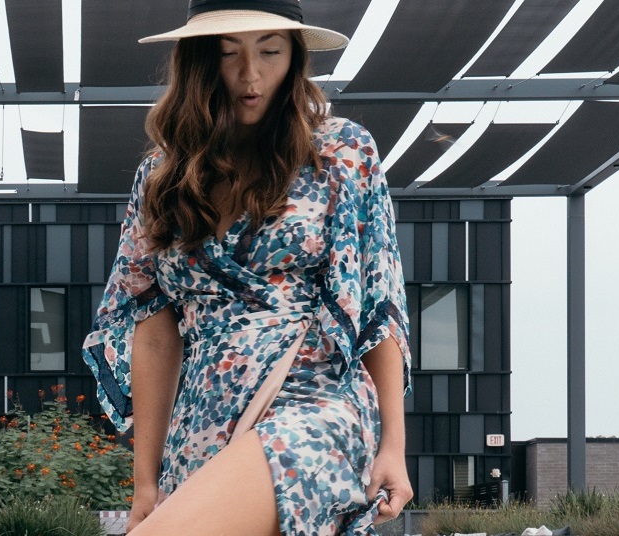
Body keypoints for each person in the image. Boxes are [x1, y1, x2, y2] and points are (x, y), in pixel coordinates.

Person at [80, 1, 412, 534]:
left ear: (295, 57)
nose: (250, 74)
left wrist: (393, 445)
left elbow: (377, 300)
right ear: (197, 63)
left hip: (313, 399)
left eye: (271, 51)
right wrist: (146, 483)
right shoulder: (160, 178)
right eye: (228, 53)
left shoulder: (342, 152)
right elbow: (155, 332)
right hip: (201, 421)